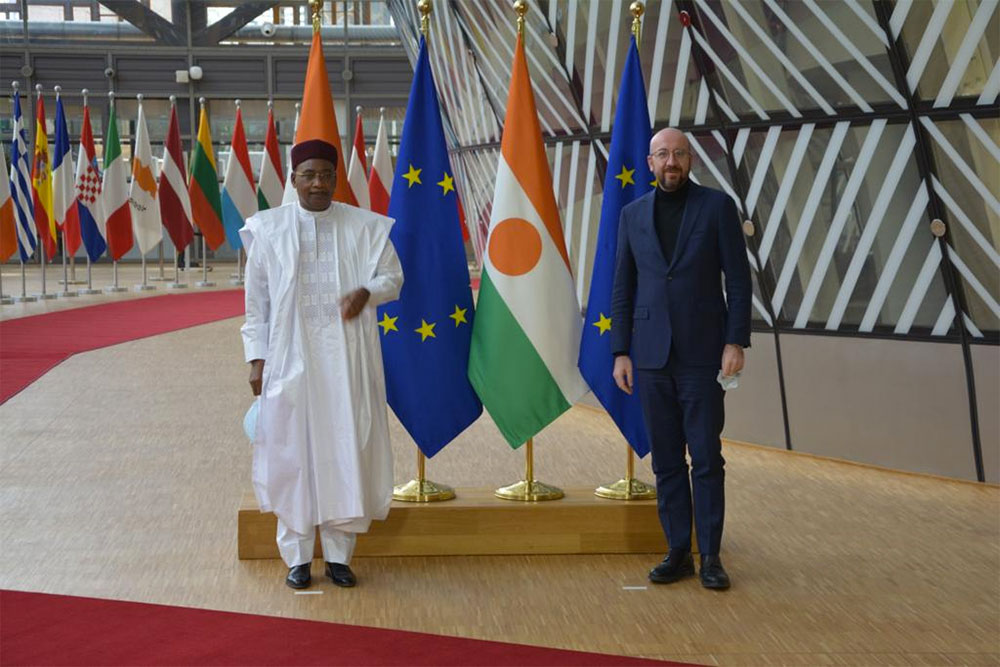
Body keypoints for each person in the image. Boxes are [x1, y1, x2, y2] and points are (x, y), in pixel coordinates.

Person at [240, 138, 403, 590]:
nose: (317, 183)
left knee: (344, 449)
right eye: (308, 174)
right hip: (289, 357)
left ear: (336, 178)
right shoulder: (267, 230)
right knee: (292, 452)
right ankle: (295, 557)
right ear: (293, 179)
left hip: (346, 361)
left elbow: (393, 276)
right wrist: (257, 359)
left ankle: (337, 556)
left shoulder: (365, 227)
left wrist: (368, 291)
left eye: (326, 175)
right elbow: (257, 305)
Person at [610, 128, 751, 590]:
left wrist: (736, 341)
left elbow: (739, 280)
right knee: (667, 460)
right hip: (649, 357)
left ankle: (710, 555)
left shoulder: (716, 208)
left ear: (691, 161)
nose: (672, 161)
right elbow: (622, 286)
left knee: (707, 457)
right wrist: (620, 351)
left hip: (703, 354)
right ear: (650, 163)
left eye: (680, 154)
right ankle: (677, 551)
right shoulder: (632, 216)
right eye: (663, 154)